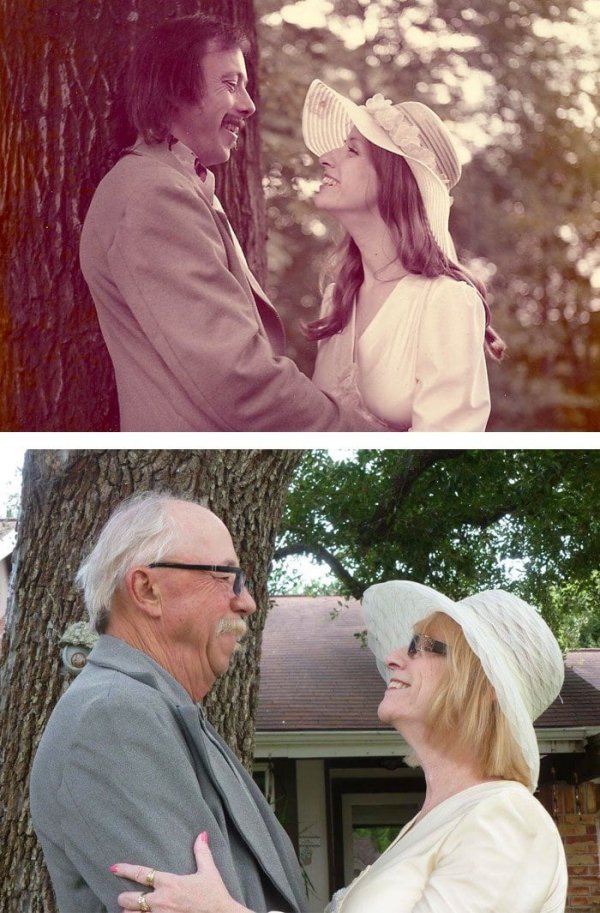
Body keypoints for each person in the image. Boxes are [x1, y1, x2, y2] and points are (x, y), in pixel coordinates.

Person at [114, 581, 568, 913]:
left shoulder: (507, 819)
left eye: (422, 648)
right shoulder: (435, 822)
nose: (394, 657)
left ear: (484, 688)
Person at [79, 16, 385, 432]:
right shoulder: (152, 194)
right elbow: (237, 379)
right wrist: (355, 430)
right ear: (173, 90)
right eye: (229, 83)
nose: (248, 104)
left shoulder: (173, 183)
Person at [29, 492, 306, 913]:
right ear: (147, 590)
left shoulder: (158, 711)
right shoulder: (112, 718)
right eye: (226, 575)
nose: (246, 601)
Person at [300, 80, 506, 431]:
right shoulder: (337, 299)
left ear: (393, 180)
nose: (324, 159)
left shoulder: (445, 301)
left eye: (352, 151)